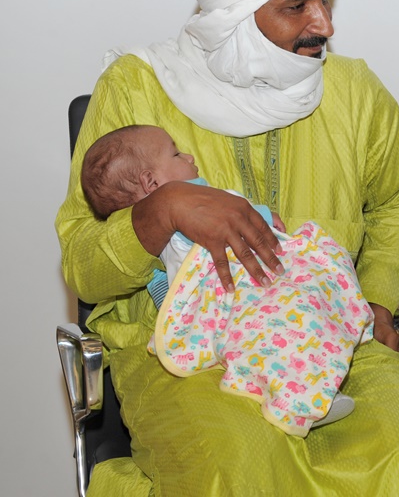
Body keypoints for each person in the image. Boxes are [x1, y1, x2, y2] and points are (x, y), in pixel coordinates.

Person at [57, 0, 399, 496]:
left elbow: (396, 201)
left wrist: (374, 298)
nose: (322, 22)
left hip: (331, 334)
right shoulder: (136, 87)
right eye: (297, 5)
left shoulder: (353, 91)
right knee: (243, 470)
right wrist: (163, 208)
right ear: (235, 16)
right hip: (182, 353)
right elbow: (83, 265)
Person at [80, 124, 373, 436]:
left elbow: (238, 218)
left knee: (309, 297)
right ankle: (299, 404)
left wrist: (262, 218)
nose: (189, 156)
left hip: (265, 281)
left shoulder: (204, 201)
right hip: (244, 297)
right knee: (291, 322)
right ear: (152, 183)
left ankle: (312, 382)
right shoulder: (177, 223)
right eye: (177, 153)